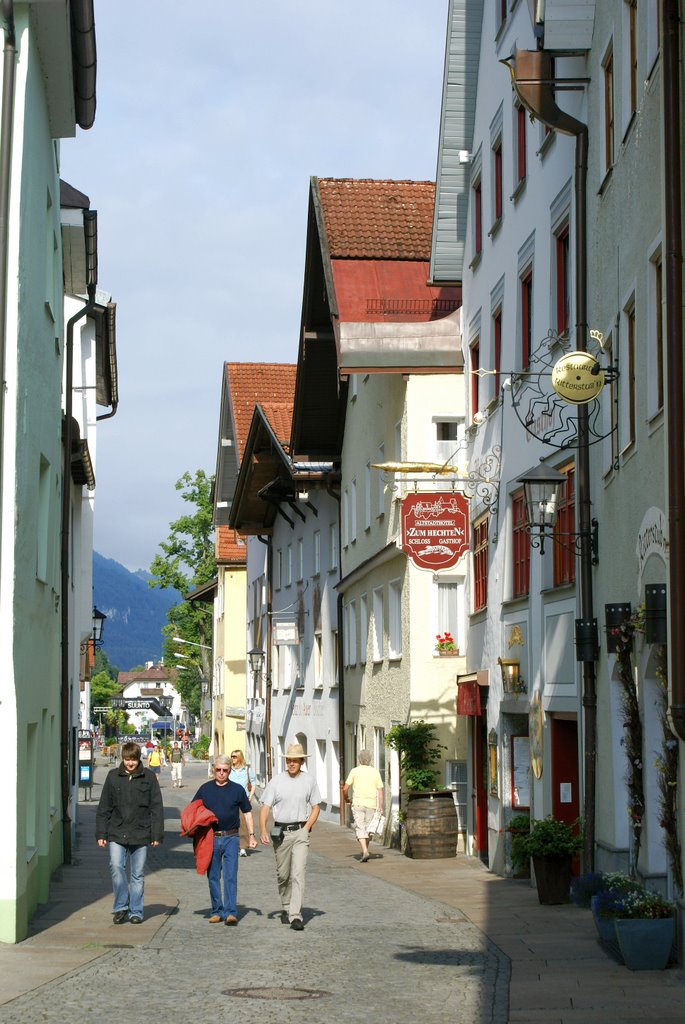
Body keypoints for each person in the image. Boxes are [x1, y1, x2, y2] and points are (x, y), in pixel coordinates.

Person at [95, 741, 164, 925]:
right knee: (116, 867)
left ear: (138, 758)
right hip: (117, 832)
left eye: (133, 759)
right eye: (127, 759)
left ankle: (136, 910)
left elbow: (156, 808)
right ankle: (120, 907)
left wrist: (156, 835)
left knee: (137, 874)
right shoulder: (112, 777)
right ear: (122, 759)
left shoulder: (148, 778)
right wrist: (101, 834)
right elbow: (104, 808)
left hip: (140, 833)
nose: (130, 763)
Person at [259, 742, 321, 931]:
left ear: (302, 762)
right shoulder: (277, 781)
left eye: (295, 760)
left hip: (301, 832)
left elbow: (316, 806)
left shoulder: (309, 781)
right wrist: (262, 829)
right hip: (281, 834)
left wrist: (307, 827)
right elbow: (265, 808)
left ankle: (295, 915)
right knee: (283, 875)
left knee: (298, 874)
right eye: (289, 760)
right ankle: (286, 907)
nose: (292, 764)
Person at [192, 754, 257, 924]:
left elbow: (247, 812)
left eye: (225, 770)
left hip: (231, 837)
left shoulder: (237, 790)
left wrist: (251, 835)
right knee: (213, 875)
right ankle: (216, 911)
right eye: (218, 769)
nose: (221, 773)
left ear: (229, 771)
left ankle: (230, 912)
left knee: (230, 875)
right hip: (211, 838)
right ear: (214, 769)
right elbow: (193, 810)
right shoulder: (205, 789)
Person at [343, 749, 384, 863]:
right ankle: (366, 849)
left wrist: (346, 798)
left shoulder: (354, 771)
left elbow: (345, 788)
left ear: (359, 760)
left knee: (360, 828)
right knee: (368, 829)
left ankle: (365, 850)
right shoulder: (375, 772)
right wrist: (380, 806)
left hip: (358, 804)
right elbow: (380, 790)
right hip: (371, 805)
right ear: (370, 759)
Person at [229, 749, 256, 856]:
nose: (232, 758)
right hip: (230, 798)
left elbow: (253, 783)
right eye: (231, 756)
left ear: (240, 757)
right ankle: (232, 845)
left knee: (243, 823)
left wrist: (251, 795)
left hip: (243, 799)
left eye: (234, 756)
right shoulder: (229, 769)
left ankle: (243, 847)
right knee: (230, 822)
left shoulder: (247, 769)